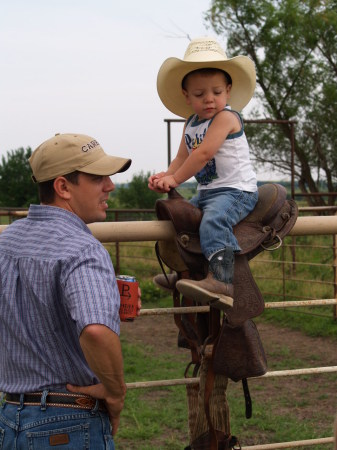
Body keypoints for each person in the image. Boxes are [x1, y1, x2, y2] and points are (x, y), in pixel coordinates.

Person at [0, 133, 141, 449]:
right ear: (63, 187)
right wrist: (115, 394)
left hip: (10, 417)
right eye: (97, 178)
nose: (110, 185)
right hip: (68, 423)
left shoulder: (7, 241)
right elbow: (95, 332)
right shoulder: (82, 248)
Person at [149, 36, 258, 308]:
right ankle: (183, 272)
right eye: (199, 95)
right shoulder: (191, 122)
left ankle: (222, 279)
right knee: (180, 218)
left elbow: (203, 154)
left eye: (217, 92)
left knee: (213, 221)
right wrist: (166, 175)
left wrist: (175, 179)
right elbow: (182, 156)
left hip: (237, 190)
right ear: (187, 96)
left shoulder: (226, 118)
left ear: (228, 91)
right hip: (209, 191)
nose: (209, 100)